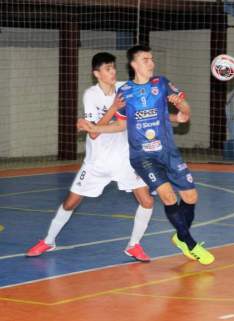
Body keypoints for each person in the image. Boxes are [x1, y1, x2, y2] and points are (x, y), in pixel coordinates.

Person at [78, 45, 215, 265]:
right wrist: (96, 129)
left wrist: (183, 107)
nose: (151, 63)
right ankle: (190, 243)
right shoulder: (125, 93)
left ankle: (180, 237)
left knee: (191, 197)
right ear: (133, 64)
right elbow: (121, 125)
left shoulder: (161, 83)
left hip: (168, 152)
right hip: (143, 157)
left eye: (151, 59)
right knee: (168, 196)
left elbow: (183, 116)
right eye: (145, 59)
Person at [26, 52, 154, 262]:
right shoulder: (91, 95)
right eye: (107, 69)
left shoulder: (126, 89)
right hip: (97, 162)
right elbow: (94, 132)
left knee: (147, 201)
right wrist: (113, 109)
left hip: (125, 159)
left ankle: (134, 245)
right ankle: (49, 240)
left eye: (113, 67)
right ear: (97, 73)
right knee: (70, 203)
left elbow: (147, 88)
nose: (112, 72)